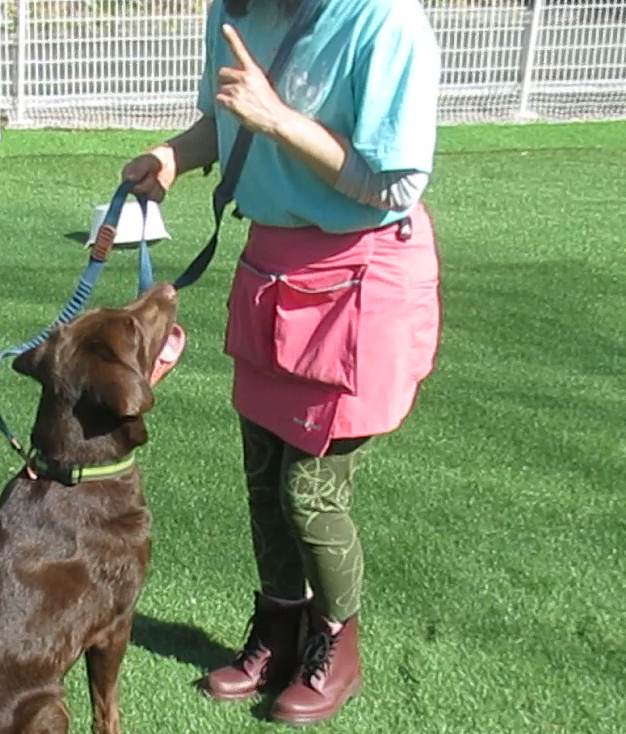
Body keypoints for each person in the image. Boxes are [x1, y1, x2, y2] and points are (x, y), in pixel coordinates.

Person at [120, 0, 442, 726]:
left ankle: (336, 644)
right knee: (263, 475)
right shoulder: (234, 9)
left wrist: (277, 120)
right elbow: (229, 117)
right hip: (269, 265)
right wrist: (177, 155)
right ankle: (276, 630)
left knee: (310, 492)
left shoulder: (384, 22)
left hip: (359, 274)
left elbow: (394, 185)